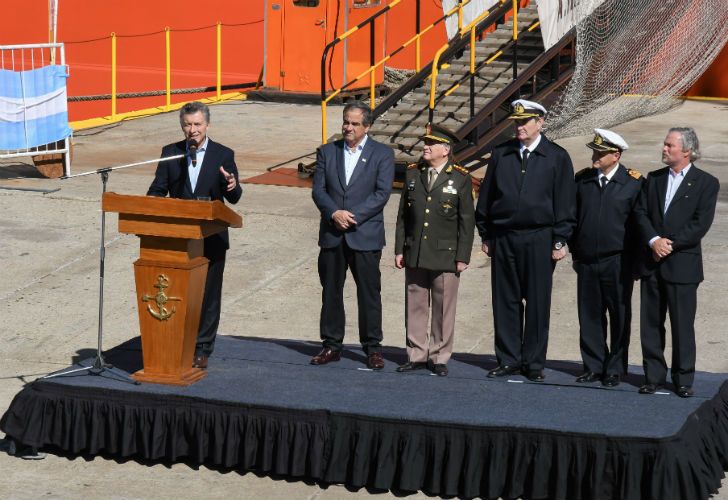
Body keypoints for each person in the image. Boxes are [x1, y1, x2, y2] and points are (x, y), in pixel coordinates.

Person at [474, 99, 576, 382]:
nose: (519, 127)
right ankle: (508, 359)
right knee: (505, 299)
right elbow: (487, 197)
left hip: (539, 238)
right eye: (516, 122)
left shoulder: (556, 157)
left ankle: (533, 362)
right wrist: (486, 233)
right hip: (505, 237)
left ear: (540, 122)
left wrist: (559, 240)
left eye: (524, 122)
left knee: (537, 302)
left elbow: (566, 204)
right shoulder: (502, 154)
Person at [147, 101, 242, 369]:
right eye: (188, 125)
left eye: (197, 124)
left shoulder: (223, 154)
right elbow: (157, 190)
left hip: (212, 237)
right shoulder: (170, 153)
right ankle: (179, 342)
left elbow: (234, 197)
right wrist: (154, 206)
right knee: (181, 293)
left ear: (207, 125)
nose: (193, 130)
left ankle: (202, 347)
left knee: (208, 295)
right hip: (179, 238)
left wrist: (232, 184)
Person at [634, 127, 719, 398]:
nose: (664, 148)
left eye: (670, 145)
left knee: (682, 325)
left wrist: (668, 244)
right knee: (650, 324)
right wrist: (653, 241)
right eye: (665, 144)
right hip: (652, 262)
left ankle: (683, 378)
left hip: (682, 264)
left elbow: (699, 224)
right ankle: (653, 377)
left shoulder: (706, 183)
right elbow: (641, 212)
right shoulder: (654, 179)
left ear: (687, 151)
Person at [311, 101, 395, 369]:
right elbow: (318, 190)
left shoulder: (382, 154)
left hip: (364, 234)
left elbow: (382, 194)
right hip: (333, 234)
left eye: (354, 123)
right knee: (331, 292)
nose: (348, 127)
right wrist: (334, 213)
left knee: (369, 294)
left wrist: (352, 216)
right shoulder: (327, 152)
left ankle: (372, 348)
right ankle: (331, 345)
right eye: (346, 122)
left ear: (367, 126)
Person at [393, 124, 475, 377]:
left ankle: (439, 356)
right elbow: (403, 217)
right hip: (416, 250)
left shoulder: (460, 178)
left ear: (446, 150)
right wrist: (399, 249)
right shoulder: (413, 174)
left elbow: (466, 221)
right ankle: (416, 353)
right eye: (425, 143)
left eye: (431, 143)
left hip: (445, 253)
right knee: (415, 303)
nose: (425, 147)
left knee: (442, 307)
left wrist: (462, 256)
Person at [570, 129, 643, 387]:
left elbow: (639, 226)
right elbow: (573, 219)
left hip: (618, 261)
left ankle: (615, 368)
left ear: (616, 155)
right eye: (594, 151)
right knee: (589, 315)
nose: (594, 156)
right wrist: (575, 252)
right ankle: (593, 365)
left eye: (600, 153)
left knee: (619, 316)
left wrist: (636, 263)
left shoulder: (634, 183)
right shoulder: (583, 181)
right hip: (587, 259)